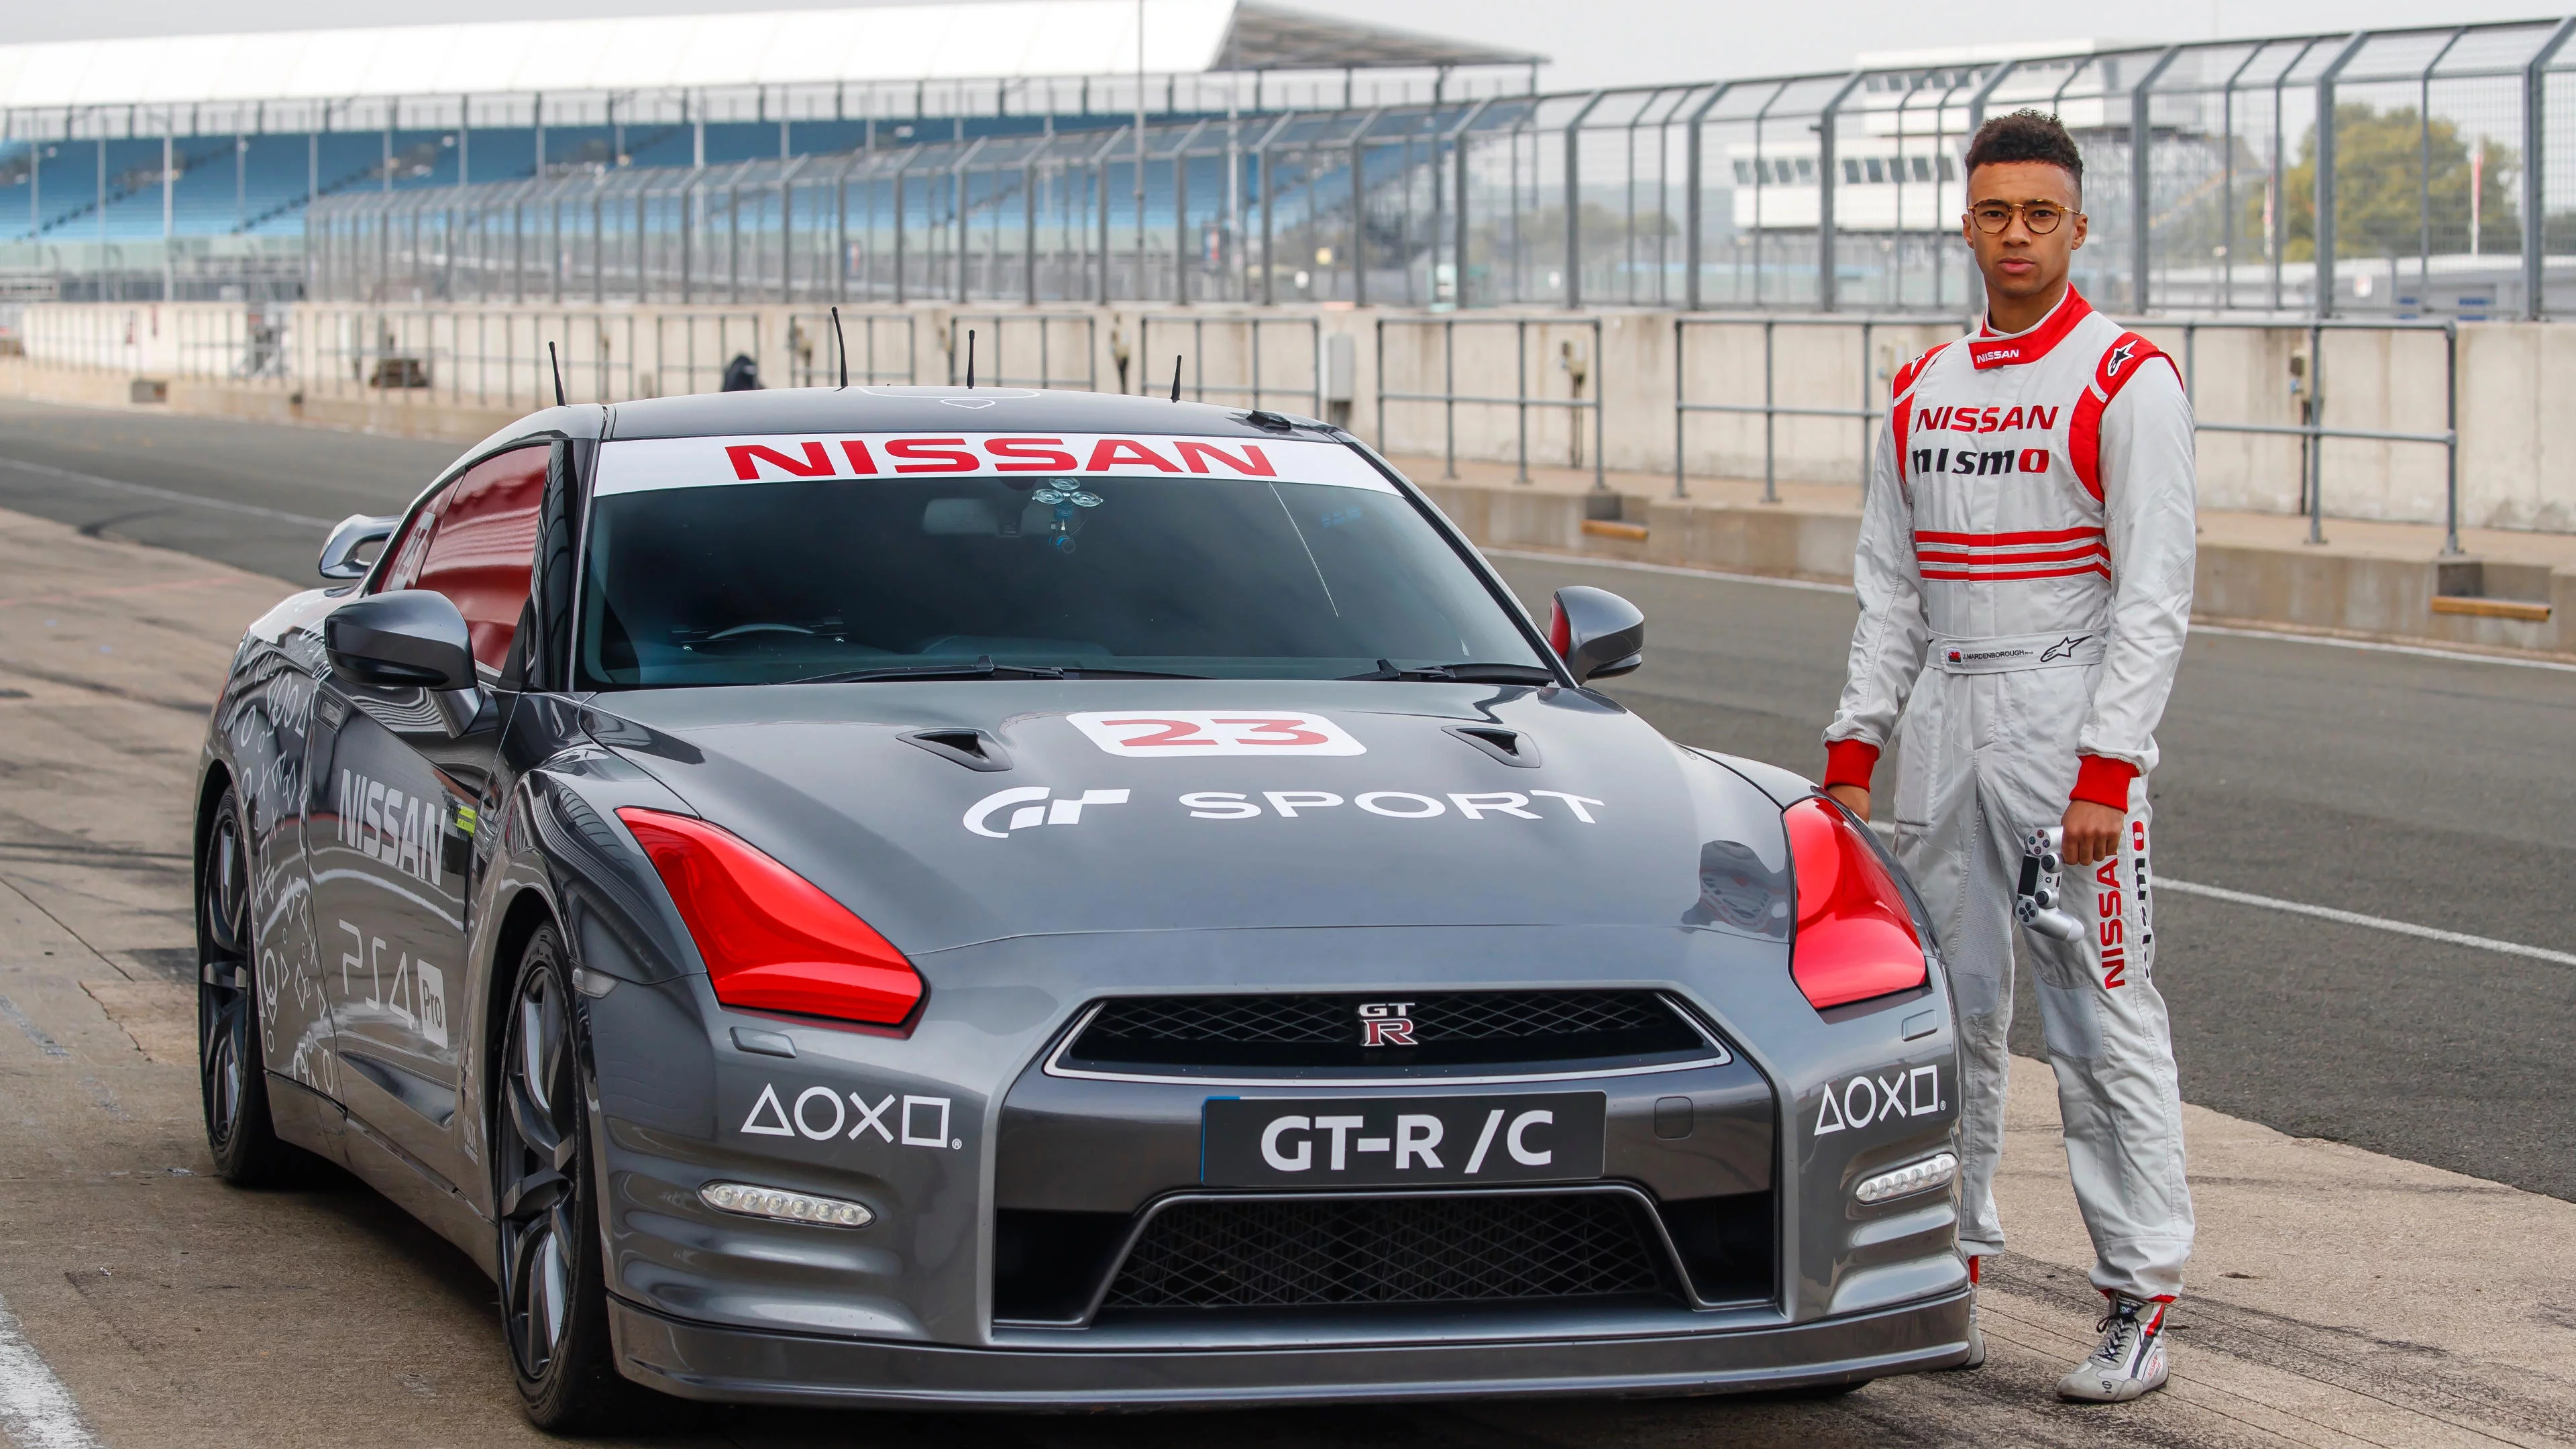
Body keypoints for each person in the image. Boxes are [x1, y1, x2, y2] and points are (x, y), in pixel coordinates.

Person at [1820, 109, 2196, 1404]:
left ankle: (2139, 1298)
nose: (2018, 234)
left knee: (2101, 1019)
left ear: (2078, 225)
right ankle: (1947, 1270)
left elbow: (2156, 595)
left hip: (2067, 726)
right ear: (1965, 222)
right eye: (1996, 212)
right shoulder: (1922, 390)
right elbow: (1891, 592)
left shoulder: (2125, 378)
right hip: (1942, 726)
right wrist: (1856, 742)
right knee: (1945, 1017)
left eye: (2041, 213)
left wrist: (2110, 768)